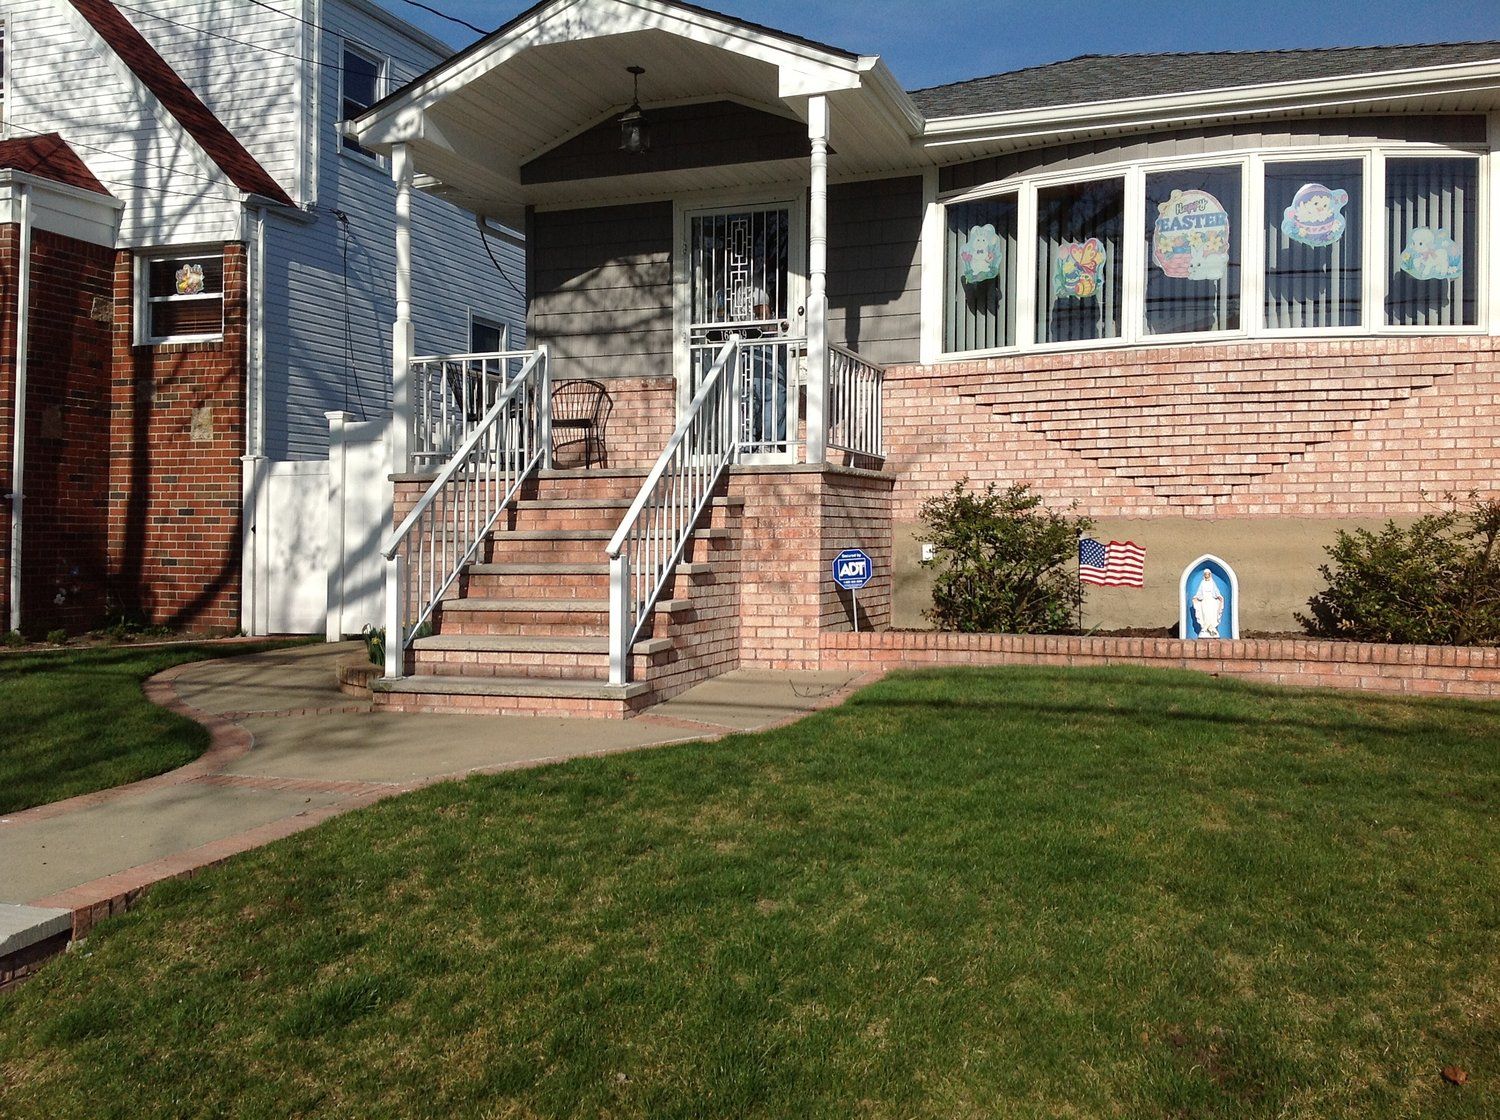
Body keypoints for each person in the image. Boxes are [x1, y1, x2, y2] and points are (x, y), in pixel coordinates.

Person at [731, 281, 786, 451]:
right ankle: (767, 444)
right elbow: (765, 324)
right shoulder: (757, 294)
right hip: (761, 363)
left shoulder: (738, 298)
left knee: (750, 403)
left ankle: (750, 443)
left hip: (750, 363)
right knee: (768, 399)